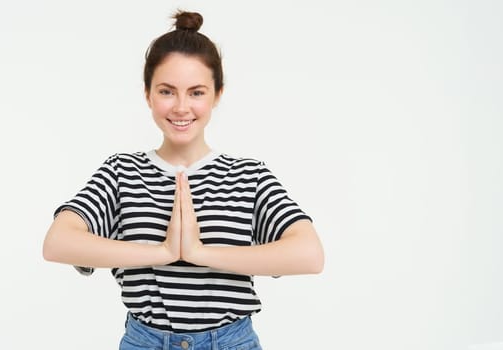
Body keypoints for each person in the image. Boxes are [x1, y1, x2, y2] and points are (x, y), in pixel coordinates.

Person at [43, 10, 324, 350]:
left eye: (196, 92)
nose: (180, 107)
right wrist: (163, 252)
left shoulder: (249, 176)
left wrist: (198, 252)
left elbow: (309, 254)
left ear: (217, 95)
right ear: (147, 94)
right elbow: (57, 243)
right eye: (166, 91)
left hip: (230, 342)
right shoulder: (121, 172)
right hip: (144, 341)